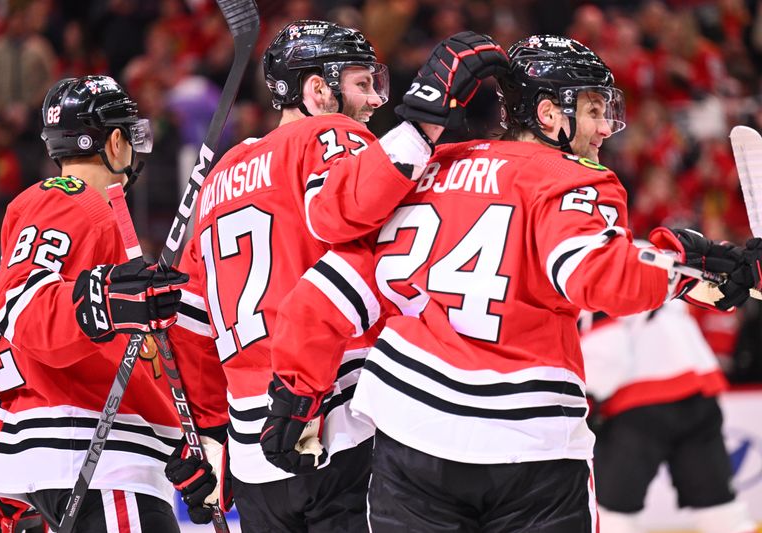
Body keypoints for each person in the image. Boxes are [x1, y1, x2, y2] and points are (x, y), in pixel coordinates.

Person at [265, 34, 756, 532]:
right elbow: (601, 275)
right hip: (531, 450)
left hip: (411, 437)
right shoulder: (571, 178)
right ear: (547, 114)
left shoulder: (427, 169)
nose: (605, 127)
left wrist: (294, 397)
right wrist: (693, 261)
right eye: (593, 109)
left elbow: (324, 295)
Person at [163, 20, 508, 531]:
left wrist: (210, 434)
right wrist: (420, 128)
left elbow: (191, 323)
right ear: (318, 90)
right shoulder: (328, 133)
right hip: (337, 421)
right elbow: (343, 209)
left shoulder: (220, 177)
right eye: (361, 84)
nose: (374, 101)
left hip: (253, 451)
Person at [0, 75, 189, 533]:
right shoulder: (72, 203)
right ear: (115, 141)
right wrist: (106, 301)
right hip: (93, 457)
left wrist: (182, 444)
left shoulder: (103, 220)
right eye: (130, 133)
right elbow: (24, 310)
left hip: (69, 457)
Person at [580, 298, 757, 533]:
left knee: (613, 512)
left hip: (638, 402)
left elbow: (606, 352)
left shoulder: (592, 284)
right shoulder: (654, 270)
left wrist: (588, 401)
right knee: (719, 506)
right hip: (698, 391)